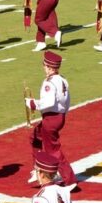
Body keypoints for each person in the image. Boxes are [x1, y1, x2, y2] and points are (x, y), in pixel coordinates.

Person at [26, 52, 76, 188]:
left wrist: (33, 104)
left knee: (53, 150)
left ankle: (69, 179)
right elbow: (66, 101)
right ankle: (39, 169)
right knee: (34, 137)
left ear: (49, 67)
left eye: (44, 65)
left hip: (51, 118)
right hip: (58, 116)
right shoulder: (62, 80)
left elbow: (48, 102)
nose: (43, 67)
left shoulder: (49, 82)